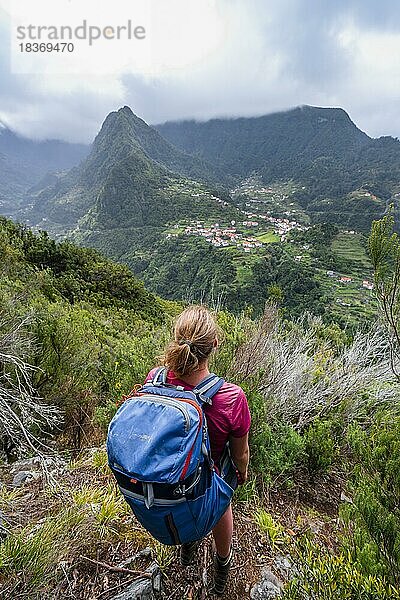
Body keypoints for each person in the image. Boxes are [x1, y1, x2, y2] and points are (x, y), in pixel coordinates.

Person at [144, 305, 251, 595]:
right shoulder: (231, 398)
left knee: (190, 485)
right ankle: (222, 565)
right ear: (215, 345)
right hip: (203, 481)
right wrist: (241, 472)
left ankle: (188, 546)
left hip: (165, 479)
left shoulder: (155, 378)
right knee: (222, 493)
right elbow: (240, 454)